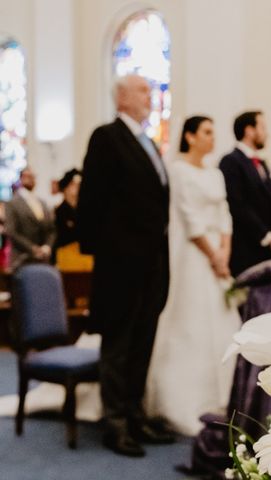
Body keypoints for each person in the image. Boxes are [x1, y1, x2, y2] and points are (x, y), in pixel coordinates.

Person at [77, 74, 174, 457]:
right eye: (142, 91)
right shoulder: (107, 137)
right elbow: (92, 203)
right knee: (117, 347)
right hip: (120, 267)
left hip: (152, 265)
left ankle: (136, 416)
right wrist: (108, 253)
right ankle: (114, 422)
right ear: (122, 97)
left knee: (142, 345)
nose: (149, 96)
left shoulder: (148, 143)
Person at [145, 116, 241, 435]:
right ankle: (184, 402)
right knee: (193, 322)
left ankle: (225, 398)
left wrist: (225, 251)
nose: (213, 138)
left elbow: (225, 213)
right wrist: (213, 255)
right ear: (190, 136)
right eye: (207, 132)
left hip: (219, 254)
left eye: (214, 132)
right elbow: (187, 216)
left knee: (224, 321)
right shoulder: (179, 171)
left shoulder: (214, 173)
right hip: (194, 254)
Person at [219, 111, 271, 277]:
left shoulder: (261, 163)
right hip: (245, 248)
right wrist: (267, 236)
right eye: (262, 127)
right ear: (249, 130)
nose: (266, 133)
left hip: (266, 250)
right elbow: (237, 204)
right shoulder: (231, 162)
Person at [5, 167, 55, 270]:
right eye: (27, 176)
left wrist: (47, 247)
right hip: (21, 259)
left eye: (32, 176)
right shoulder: (12, 203)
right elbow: (11, 231)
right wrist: (33, 249)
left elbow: (51, 229)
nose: (30, 179)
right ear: (21, 179)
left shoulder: (42, 203)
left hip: (44, 259)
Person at [54, 168, 93, 271]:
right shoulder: (60, 210)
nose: (77, 187)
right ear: (66, 188)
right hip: (68, 254)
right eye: (73, 184)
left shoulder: (83, 209)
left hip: (84, 254)